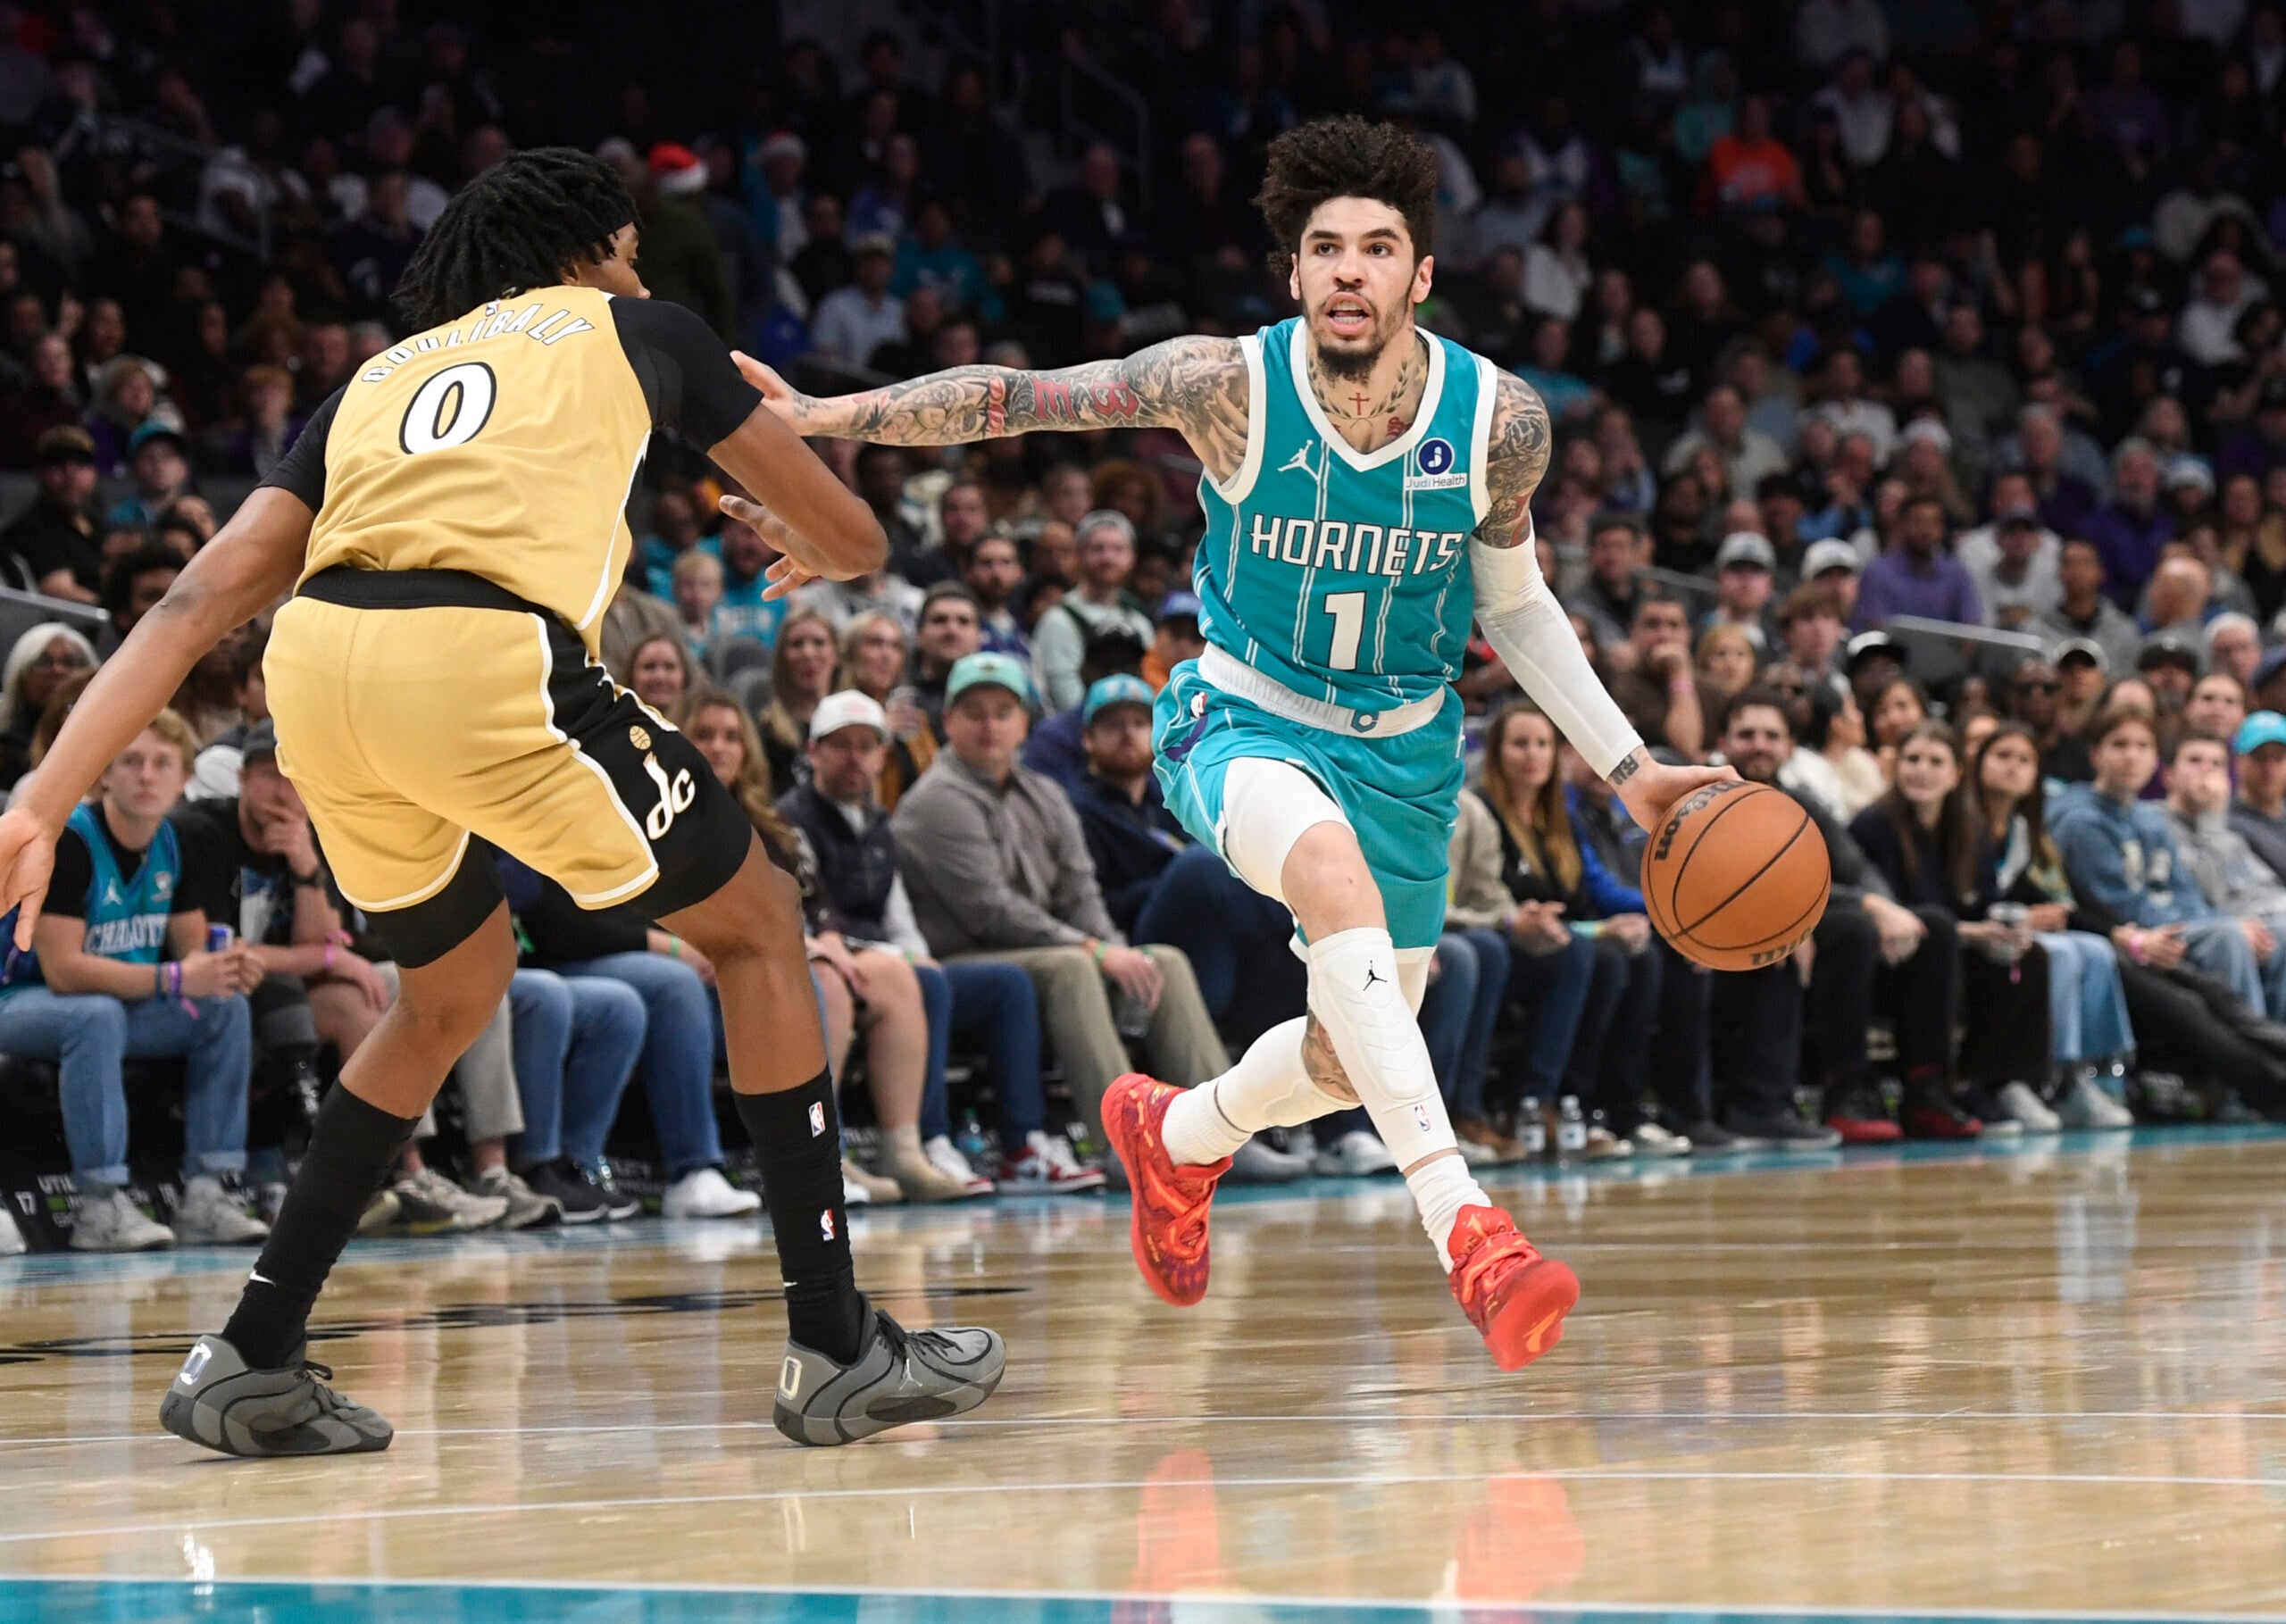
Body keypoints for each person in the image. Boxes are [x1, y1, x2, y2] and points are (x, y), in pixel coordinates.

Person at [0, 148, 1003, 1456]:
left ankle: (250, 1350)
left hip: (322, 672)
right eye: (633, 251)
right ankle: (835, 1340)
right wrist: (797, 524)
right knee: (759, 923)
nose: (641, 274)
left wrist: (38, 794)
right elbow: (861, 543)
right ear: (588, 249)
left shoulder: (379, 377)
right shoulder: (640, 329)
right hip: (484, 654)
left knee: (449, 987)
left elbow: (193, 606)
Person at [753, 116, 1725, 1367]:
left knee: (1343, 1051)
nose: (1349, 272)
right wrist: (829, 413)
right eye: (1326, 248)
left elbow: (1516, 602)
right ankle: (1469, 1227)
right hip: (1245, 716)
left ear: (1422, 275)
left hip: (1411, 751)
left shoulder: (1502, 423)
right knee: (1330, 878)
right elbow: (1021, 402)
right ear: (1296, 272)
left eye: (1379, 249)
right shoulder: (1225, 383)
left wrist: (1632, 769)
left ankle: (1183, 1133)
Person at [771, 688, 1101, 1195]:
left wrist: (912, 953)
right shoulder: (790, 821)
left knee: (1003, 984)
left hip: (885, 962)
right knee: (923, 981)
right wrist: (904, 958)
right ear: (813, 752)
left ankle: (1022, 1144)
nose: (855, 757)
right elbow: (807, 916)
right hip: (832, 964)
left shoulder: (879, 821)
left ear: (884, 756)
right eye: (841, 745)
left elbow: (898, 915)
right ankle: (925, 1140)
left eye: (867, 746)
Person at [891, 654, 1231, 1143]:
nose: (990, 725)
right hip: (967, 956)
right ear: (948, 722)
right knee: (1072, 968)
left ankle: (1217, 1137)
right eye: (974, 713)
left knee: (1164, 961)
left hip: (1046, 944)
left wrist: (1118, 950)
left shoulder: (1047, 795)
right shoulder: (935, 801)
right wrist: (1093, 950)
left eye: (1003, 712)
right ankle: (1129, 1144)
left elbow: (1081, 893)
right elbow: (991, 912)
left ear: (1025, 723)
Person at [0, 711, 269, 1249]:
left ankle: (207, 1194)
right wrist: (174, 978)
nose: (147, 775)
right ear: (104, 774)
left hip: (116, 1005)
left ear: (183, 777)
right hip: (24, 1001)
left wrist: (227, 966)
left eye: (162, 763)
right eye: (132, 762)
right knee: (94, 1016)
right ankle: (99, 1208)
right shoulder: (69, 841)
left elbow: (194, 951)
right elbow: (65, 971)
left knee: (224, 1008)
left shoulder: (176, 842)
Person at [1848, 721, 2045, 1135]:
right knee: (1938, 932)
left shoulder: (1970, 830)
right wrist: (1974, 933)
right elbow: (1899, 917)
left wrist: (2006, 930)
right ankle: (1927, 1087)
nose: (1922, 770)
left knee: (2029, 956)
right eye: (1912, 760)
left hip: (1949, 953)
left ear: (1956, 775)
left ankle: (1989, 1082)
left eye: (1936, 762)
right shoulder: (1873, 825)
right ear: (1895, 768)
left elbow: (1988, 904)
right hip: (1890, 959)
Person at [1966, 722, 2142, 1129]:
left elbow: (2063, 900)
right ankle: (2039, 1077)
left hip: (2014, 930)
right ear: (1978, 765)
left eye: (2024, 760)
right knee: (2058, 952)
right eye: (2002, 756)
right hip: (1978, 933)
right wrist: (2023, 918)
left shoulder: (2027, 833)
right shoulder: (1962, 823)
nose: (2012, 768)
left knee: (2094, 950)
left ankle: (2080, 1073)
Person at [1030, 509, 1155, 711]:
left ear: (1133, 556)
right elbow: (1066, 700)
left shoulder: (1139, 621)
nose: (1108, 558)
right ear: (1078, 554)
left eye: (1118, 549)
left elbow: (1151, 685)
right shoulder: (1058, 620)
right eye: (1098, 549)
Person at [0, 622, 96, 789]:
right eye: (43, 662)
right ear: (20, 676)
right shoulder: (5, 748)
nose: (57, 670)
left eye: (70, 662)